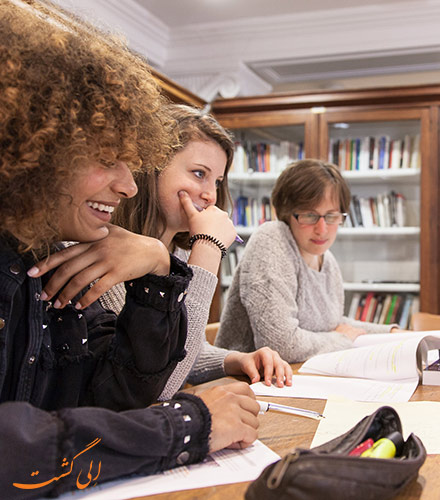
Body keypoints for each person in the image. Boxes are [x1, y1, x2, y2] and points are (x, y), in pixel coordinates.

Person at [0, 2, 258, 497]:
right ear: (32, 149)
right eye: (106, 159)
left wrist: (158, 272)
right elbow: (18, 451)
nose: (129, 186)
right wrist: (187, 426)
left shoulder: (43, 257)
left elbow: (114, 397)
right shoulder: (75, 254)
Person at [96, 103, 291, 398]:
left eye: (217, 181)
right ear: (152, 168)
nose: (211, 194)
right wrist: (209, 249)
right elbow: (156, 386)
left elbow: (185, 351)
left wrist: (235, 360)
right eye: (199, 174)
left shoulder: (179, 252)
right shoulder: (107, 252)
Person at [215, 159, 398, 362]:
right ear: (285, 213)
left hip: (300, 376)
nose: (322, 229)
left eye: (331, 216)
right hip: (243, 382)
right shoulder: (271, 239)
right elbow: (282, 345)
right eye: (310, 216)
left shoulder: (327, 261)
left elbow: (334, 325)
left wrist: (391, 334)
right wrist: (341, 338)